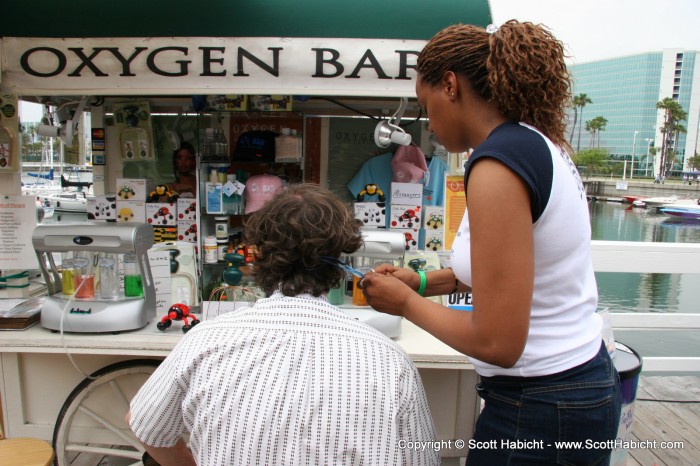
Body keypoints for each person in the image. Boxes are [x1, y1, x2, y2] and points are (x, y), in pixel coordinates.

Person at [360, 21, 621, 465]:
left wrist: (404, 303)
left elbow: (499, 343)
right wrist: (421, 283)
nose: (429, 124)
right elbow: (510, 273)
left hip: (540, 406)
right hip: (572, 386)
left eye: (426, 108)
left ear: (450, 85)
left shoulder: (498, 165)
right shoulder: (537, 144)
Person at [127, 183, 439, 466]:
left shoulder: (203, 341)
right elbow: (422, 459)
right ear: (341, 258)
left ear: (259, 255)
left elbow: (146, 426)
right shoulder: (389, 360)